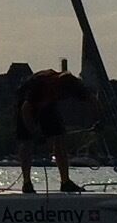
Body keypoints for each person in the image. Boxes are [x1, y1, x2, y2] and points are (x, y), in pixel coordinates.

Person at [17, 62, 93, 194]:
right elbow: (26, 109)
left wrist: (98, 120)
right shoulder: (42, 86)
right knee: (26, 141)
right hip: (26, 104)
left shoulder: (75, 86)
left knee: (59, 138)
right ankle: (27, 182)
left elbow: (92, 100)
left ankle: (65, 182)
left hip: (48, 105)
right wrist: (34, 131)